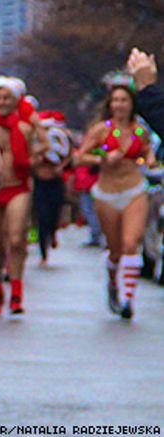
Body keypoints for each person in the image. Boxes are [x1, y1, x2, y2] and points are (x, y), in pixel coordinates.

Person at [76, 82, 153, 319]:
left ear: (132, 104)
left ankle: (128, 299)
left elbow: (147, 151)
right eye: (116, 100)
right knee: (115, 249)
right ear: (110, 105)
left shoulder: (140, 131)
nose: (119, 105)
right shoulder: (101, 130)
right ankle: (112, 284)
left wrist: (149, 160)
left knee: (131, 244)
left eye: (124, 100)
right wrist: (102, 158)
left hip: (134, 190)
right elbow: (79, 157)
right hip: (107, 193)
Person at [0, 76, 37, 317]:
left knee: (16, 241)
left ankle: (16, 292)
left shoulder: (25, 129)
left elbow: (43, 152)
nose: (2, 102)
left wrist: (29, 159)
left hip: (18, 188)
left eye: (7, 98)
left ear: (16, 101)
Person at [31, 111, 72, 266]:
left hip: (55, 181)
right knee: (42, 216)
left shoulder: (61, 138)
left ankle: (53, 231)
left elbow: (69, 155)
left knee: (54, 212)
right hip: (40, 182)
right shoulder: (34, 140)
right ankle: (43, 252)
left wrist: (61, 166)